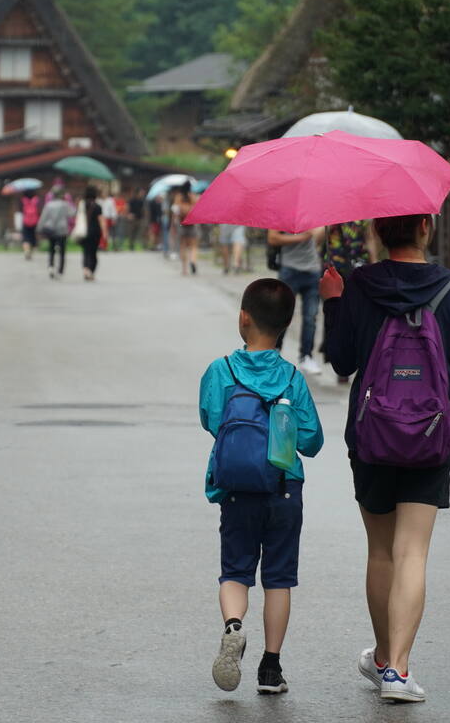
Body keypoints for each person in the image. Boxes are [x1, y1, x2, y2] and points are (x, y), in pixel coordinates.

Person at [321, 213, 450, 704]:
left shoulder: (358, 286)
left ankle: (386, 658)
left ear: (376, 232)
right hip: (431, 440)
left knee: (381, 551)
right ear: (426, 229)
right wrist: (441, 413)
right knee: (413, 551)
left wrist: (333, 303)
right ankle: (398, 673)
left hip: (371, 438)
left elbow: (343, 363)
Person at [200, 278, 324, 696]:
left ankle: (234, 627)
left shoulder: (221, 370)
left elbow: (212, 420)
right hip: (284, 489)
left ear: (243, 317)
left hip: (237, 488)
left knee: (235, 571)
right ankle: (270, 669)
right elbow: (312, 441)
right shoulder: (292, 378)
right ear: (287, 326)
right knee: (278, 578)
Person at [321, 221, 380, 381]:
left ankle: (356, 353)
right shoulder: (328, 212)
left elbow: (369, 239)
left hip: (358, 267)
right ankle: (340, 355)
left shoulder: (364, 215)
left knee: (358, 313)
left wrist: (374, 263)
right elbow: (317, 238)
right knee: (336, 310)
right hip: (335, 268)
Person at [268, 228, 326, 374]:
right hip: (289, 270)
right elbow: (272, 238)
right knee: (282, 313)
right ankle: (274, 351)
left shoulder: (314, 212)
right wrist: (301, 237)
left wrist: (319, 232)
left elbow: (317, 239)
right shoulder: (282, 213)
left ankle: (306, 356)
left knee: (310, 317)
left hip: (312, 269)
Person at [38, 191, 76, 279]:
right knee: (62, 251)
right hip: (62, 229)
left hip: (51, 229)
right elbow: (72, 214)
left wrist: (39, 228)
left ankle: (51, 266)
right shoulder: (65, 204)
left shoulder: (48, 205)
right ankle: (60, 270)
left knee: (51, 249)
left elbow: (43, 217)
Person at [172, 183, 199, 275]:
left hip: (182, 224)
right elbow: (196, 210)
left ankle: (184, 269)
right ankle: (193, 261)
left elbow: (175, 211)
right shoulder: (193, 196)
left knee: (183, 246)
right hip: (192, 224)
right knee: (193, 246)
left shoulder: (178, 197)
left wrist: (173, 224)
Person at [79, 186, 103, 281]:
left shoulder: (82, 205)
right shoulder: (97, 207)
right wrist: (105, 232)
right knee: (93, 252)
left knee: (85, 251)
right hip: (95, 232)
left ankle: (85, 269)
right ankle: (91, 271)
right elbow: (101, 220)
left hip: (83, 231)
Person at [20, 188, 41, 261]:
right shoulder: (37, 200)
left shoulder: (23, 200)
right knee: (33, 238)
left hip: (26, 221)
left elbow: (20, 212)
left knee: (26, 238)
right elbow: (39, 211)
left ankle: (26, 251)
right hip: (35, 222)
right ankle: (31, 252)